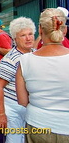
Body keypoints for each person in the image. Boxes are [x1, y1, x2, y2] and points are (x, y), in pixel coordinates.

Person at [16, 8, 69, 142]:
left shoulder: (25, 61)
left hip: (38, 127)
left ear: (40, 30)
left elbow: (22, 101)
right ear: (65, 30)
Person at [0, 17, 35, 143]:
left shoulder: (34, 53)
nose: (28, 38)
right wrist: (1, 114)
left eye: (30, 34)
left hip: (27, 108)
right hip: (12, 107)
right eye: (23, 35)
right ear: (15, 39)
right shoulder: (11, 58)